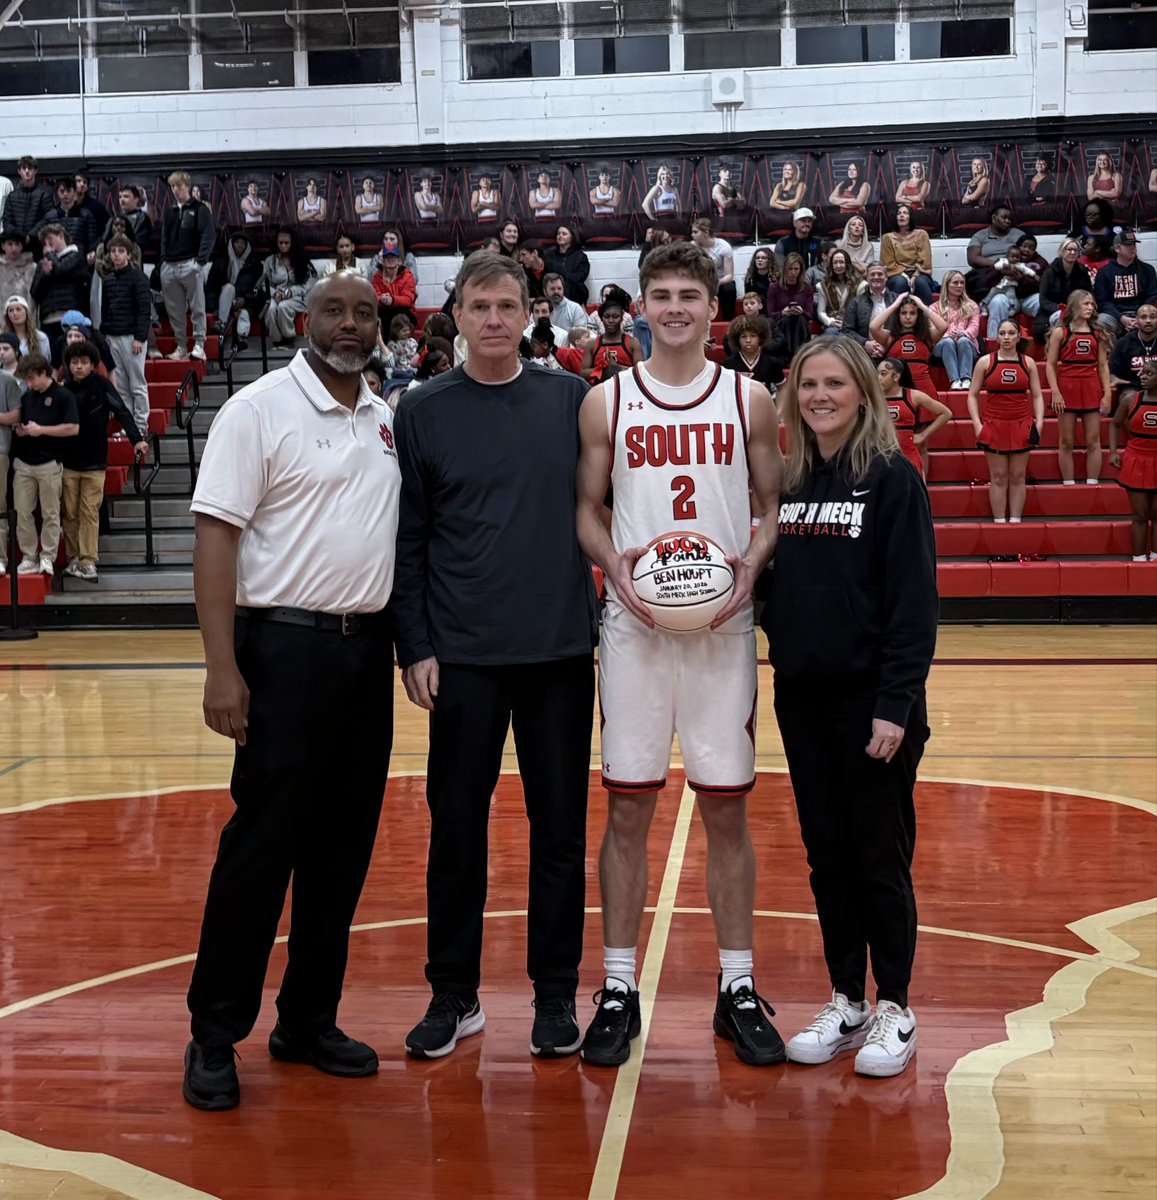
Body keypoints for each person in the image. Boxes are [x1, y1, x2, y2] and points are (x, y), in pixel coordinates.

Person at [182, 272, 400, 1112]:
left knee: (341, 854)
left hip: (362, 655)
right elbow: (215, 537)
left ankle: (306, 1020)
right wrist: (221, 665)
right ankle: (213, 1031)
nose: (350, 325)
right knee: (261, 849)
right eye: (334, 312)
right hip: (279, 650)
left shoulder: (384, 418)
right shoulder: (258, 409)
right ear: (301, 321)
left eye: (364, 313)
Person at [575, 239, 785, 1068]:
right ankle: (618, 987)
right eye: (659, 295)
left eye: (686, 296)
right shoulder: (606, 402)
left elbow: (771, 508)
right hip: (635, 631)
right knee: (627, 807)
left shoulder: (748, 399)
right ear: (641, 308)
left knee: (727, 809)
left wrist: (749, 572)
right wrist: (612, 566)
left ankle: (737, 987)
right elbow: (586, 511)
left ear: (712, 305)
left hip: (722, 631)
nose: (672, 309)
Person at [391, 251, 597, 1062]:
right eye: (479, 306)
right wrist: (415, 645)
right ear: (456, 313)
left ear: (529, 312)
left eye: (507, 305)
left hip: (557, 652)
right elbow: (407, 538)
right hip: (463, 657)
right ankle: (454, 993)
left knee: (558, 835)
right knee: (455, 834)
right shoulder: (423, 409)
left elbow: (608, 503)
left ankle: (554, 996)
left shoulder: (571, 399)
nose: (494, 320)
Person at [765, 336, 937, 1079]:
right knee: (826, 857)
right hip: (801, 699)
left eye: (834, 383)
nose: (819, 397)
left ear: (863, 392)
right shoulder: (793, 480)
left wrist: (893, 706)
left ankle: (895, 1005)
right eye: (808, 386)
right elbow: (783, 587)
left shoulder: (893, 480)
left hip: (873, 705)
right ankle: (846, 999)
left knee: (878, 856)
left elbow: (914, 606)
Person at [58, 339, 148, 581]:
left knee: (89, 512)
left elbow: (122, 411)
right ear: (68, 365)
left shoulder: (102, 385)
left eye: (83, 362)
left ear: (92, 365)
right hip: (67, 462)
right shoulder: (62, 389)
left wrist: (136, 439)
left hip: (95, 462)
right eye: (74, 362)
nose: (78, 367)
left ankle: (88, 561)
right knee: (69, 513)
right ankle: (73, 558)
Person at [967, 318, 1045, 522]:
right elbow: (972, 395)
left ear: (1019, 337)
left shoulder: (1028, 363)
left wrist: (1039, 423)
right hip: (994, 424)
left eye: (1011, 333)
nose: (1006, 337)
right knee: (998, 477)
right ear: (997, 337)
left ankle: (1016, 521)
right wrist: (977, 423)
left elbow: (1037, 395)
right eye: (1002, 333)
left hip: (1021, 423)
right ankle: (1000, 521)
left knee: (1018, 476)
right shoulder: (985, 361)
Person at [11, 351, 79, 576]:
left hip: (49, 463)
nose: (29, 384)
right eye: (26, 380)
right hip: (23, 463)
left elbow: (72, 428)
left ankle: (47, 556)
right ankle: (29, 556)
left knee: (51, 512)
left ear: (44, 372)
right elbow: (19, 424)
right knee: (22, 511)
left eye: (32, 378)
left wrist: (41, 430)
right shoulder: (26, 397)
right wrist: (21, 431)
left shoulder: (63, 395)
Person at [1045, 291, 1111, 486]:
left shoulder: (1098, 332)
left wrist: (1107, 393)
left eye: (1092, 304)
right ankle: (1068, 483)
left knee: (1093, 440)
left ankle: (1092, 482)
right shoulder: (1061, 332)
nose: (1090, 307)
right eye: (1086, 304)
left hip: (1090, 386)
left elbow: (1102, 365)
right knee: (1066, 441)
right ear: (1074, 306)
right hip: (1067, 386)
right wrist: (1055, 392)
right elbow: (1050, 365)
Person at [100, 234, 153, 437]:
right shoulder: (108, 280)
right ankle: (129, 427)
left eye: (121, 251)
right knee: (121, 385)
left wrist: (140, 337)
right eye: (113, 251)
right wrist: (104, 333)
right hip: (112, 336)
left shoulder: (139, 278)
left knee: (136, 383)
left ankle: (141, 425)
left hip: (132, 338)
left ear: (129, 254)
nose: (116, 255)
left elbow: (143, 310)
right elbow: (105, 309)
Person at [159, 171, 214, 361]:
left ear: (188, 187)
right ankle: (181, 346)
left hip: (190, 263)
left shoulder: (200, 209)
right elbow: (164, 238)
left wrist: (199, 262)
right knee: (174, 311)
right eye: (173, 186)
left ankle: (200, 344)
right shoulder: (169, 211)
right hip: (169, 265)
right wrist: (163, 260)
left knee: (197, 307)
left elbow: (209, 236)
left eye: (179, 186)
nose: (176, 190)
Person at [1110, 360, 1157, 561]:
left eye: (1148, 373)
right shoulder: (1131, 399)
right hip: (1137, 458)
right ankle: (1138, 559)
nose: (1142, 377)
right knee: (1139, 515)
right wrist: (1113, 452)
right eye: (1141, 373)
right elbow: (1115, 424)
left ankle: (1155, 557)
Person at [876, 357, 951, 477]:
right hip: (881, 457)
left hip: (908, 456)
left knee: (914, 494)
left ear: (896, 377)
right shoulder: (872, 398)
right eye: (877, 373)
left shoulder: (914, 396)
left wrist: (923, 435)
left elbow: (946, 413)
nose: (878, 377)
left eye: (883, 374)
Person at [870, 294, 946, 401]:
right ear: (898, 315)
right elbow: (873, 327)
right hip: (897, 386)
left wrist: (922, 306)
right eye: (903, 313)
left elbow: (943, 326)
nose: (908, 317)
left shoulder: (926, 336)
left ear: (918, 315)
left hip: (924, 388)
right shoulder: (889, 337)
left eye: (913, 313)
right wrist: (895, 305)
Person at [31, 226, 89, 346]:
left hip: (70, 315)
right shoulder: (43, 263)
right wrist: (45, 276)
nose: (47, 245)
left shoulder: (76, 255)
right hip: (48, 317)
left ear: (61, 236)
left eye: (50, 239)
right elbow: (35, 292)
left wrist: (51, 255)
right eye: (44, 243)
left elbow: (62, 269)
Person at [1094, 230, 1157, 336]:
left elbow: (1152, 296)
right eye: (1128, 245)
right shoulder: (1104, 272)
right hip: (1115, 315)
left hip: (1142, 313)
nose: (1133, 248)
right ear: (1117, 248)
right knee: (1101, 322)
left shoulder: (1147, 270)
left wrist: (1140, 316)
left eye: (1134, 244)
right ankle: (1112, 353)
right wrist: (1121, 318)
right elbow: (1103, 302)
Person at [260, 228, 314, 350]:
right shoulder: (270, 261)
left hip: (298, 297)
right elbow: (264, 284)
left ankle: (288, 338)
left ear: (292, 243)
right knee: (270, 308)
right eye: (281, 243)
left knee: (283, 307)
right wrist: (275, 294)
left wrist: (292, 291)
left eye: (286, 243)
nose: (283, 246)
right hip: (276, 296)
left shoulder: (302, 258)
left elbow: (308, 284)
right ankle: (277, 341)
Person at [207, 232, 263, 348]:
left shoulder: (255, 266)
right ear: (232, 244)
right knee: (229, 288)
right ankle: (222, 324)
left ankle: (241, 338)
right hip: (223, 303)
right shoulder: (220, 262)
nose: (239, 246)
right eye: (237, 242)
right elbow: (211, 288)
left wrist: (244, 300)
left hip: (247, 304)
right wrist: (213, 309)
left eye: (243, 243)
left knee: (244, 314)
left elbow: (258, 291)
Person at [1035, 238, 1094, 344]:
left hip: (1078, 310)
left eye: (1075, 250)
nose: (1072, 252)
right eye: (1069, 249)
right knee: (1042, 330)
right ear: (1062, 251)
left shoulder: (1083, 272)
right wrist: (1061, 309)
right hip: (1053, 310)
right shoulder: (1049, 272)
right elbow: (1043, 300)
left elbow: (1088, 294)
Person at [964, 205, 1026, 302]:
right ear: (993, 218)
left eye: (1009, 219)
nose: (1007, 221)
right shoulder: (980, 235)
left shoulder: (1018, 234)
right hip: (988, 272)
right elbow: (972, 258)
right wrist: (998, 264)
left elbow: (1028, 254)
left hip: (1013, 271)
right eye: (1004, 217)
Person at [932, 269, 981, 390]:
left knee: (963, 341)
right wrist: (947, 334)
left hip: (967, 344)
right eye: (955, 283)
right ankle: (955, 380)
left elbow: (974, 327)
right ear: (946, 285)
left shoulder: (972, 305)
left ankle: (966, 379)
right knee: (948, 342)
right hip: (942, 345)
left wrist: (963, 333)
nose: (959, 286)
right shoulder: (934, 307)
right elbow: (932, 330)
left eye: (961, 282)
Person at [981, 244, 1042, 338]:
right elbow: (986, 281)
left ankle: (1042, 342)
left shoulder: (1039, 262)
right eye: (1024, 246)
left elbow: (1040, 285)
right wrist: (1001, 272)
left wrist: (1021, 278)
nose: (1027, 250)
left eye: (1031, 248)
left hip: (1027, 298)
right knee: (997, 301)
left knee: (1041, 300)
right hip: (1006, 294)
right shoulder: (1002, 262)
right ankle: (994, 343)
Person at [583, 294, 642, 383]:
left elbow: (640, 373)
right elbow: (583, 372)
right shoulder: (592, 344)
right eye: (606, 316)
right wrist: (601, 370)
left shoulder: (632, 343)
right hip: (600, 391)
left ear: (622, 317)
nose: (611, 321)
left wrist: (616, 368)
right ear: (601, 318)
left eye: (615, 317)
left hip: (626, 390)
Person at [881, 204, 934, 302]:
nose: (901, 215)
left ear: (911, 217)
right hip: (897, 274)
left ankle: (927, 315)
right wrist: (905, 277)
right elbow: (888, 263)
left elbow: (925, 262)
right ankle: (896, 315)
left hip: (919, 273)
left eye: (905, 213)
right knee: (900, 282)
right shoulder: (887, 238)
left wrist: (914, 276)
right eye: (899, 213)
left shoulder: (921, 234)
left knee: (921, 282)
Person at [1109, 303, 1157, 408]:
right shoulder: (1124, 343)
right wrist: (1114, 378)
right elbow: (1112, 370)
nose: (1148, 320)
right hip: (1133, 386)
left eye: (1152, 317)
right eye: (1143, 317)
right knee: (1128, 397)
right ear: (1136, 320)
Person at [767, 252, 814, 356]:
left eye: (796, 269)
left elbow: (810, 314)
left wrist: (802, 312)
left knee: (799, 319)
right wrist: (782, 312)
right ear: (785, 269)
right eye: (790, 269)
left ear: (801, 270)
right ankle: (788, 354)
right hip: (781, 322)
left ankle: (798, 353)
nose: (793, 272)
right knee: (787, 320)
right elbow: (770, 313)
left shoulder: (807, 288)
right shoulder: (774, 288)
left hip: (801, 323)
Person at [722, 313, 786, 389]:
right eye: (743, 336)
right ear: (737, 339)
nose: (748, 340)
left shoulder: (773, 363)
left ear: (760, 338)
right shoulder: (727, 366)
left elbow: (782, 389)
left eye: (753, 336)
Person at [0, 344, 20, 575]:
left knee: (0, 505)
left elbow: (17, 414)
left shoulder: (7, 380)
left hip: (1, 449)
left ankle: (1, 557)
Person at [690, 218, 736, 320]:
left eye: (695, 232)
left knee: (729, 288)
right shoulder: (692, 247)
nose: (692, 235)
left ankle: (729, 320)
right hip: (701, 280)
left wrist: (717, 282)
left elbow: (729, 275)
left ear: (705, 233)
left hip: (720, 281)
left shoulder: (724, 246)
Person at [843, 263, 891, 357]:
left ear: (886, 277)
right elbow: (846, 331)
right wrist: (865, 343)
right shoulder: (855, 302)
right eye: (872, 274)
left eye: (880, 274)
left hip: (892, 353)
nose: (876, 277)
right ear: (867, 278)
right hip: (864, 354)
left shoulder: (896, 300)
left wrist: (888, 345)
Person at [370, 242, 417, 337]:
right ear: (383, 260)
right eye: (387, 258)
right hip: (384, 309)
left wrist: (392, 300)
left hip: (404, 311)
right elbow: (375, 296)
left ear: (399, 260)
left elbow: (408, 299)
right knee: (380, 316)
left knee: (399, 315)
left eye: (393, 257)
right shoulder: (377, 277)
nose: (390, 260)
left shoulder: (408, 276)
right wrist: (382, 300)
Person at [2, 156, 53, 242]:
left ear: (35, 171)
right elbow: (7, 220)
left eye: (30, 168)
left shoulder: (44, 194)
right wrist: (18, 236)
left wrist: (31, 236)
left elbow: (47, 218)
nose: (27, 171)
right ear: (19, 171)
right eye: (24, 168)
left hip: (37, 242)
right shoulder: (12, 196)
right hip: (16, 243)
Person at [543, 225, 591, 305]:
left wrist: (564, 277)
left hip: (575, 295)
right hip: (553, 295)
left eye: (564, 234)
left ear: (572, 237)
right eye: (558, 234)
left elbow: (581, 276)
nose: (560, 236)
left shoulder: (580, 256)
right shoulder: (549, 255)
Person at [815, 249, 858, 335]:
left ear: (847, 264)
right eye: (835, 262)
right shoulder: (822, 286)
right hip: (833, 324)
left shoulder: (859, 284)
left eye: (841, 262)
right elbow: (821, 312)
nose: (838, 266)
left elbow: (861, 311)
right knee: (831, 332)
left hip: (852, 325)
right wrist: (831, 322)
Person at [0, 230, 35, 316]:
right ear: (3, 246)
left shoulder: (32, 268)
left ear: (22, 246)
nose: (14, 248)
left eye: (17, 244)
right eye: (10, 244)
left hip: (26, 318)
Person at [743, 247, 776, 314]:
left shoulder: (776, 277)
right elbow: (748, 297)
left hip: (772, 309)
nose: (760, 260)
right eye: (757, 258)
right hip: (756, 309)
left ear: (770, 260)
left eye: (763, 258)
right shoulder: (750, 278)